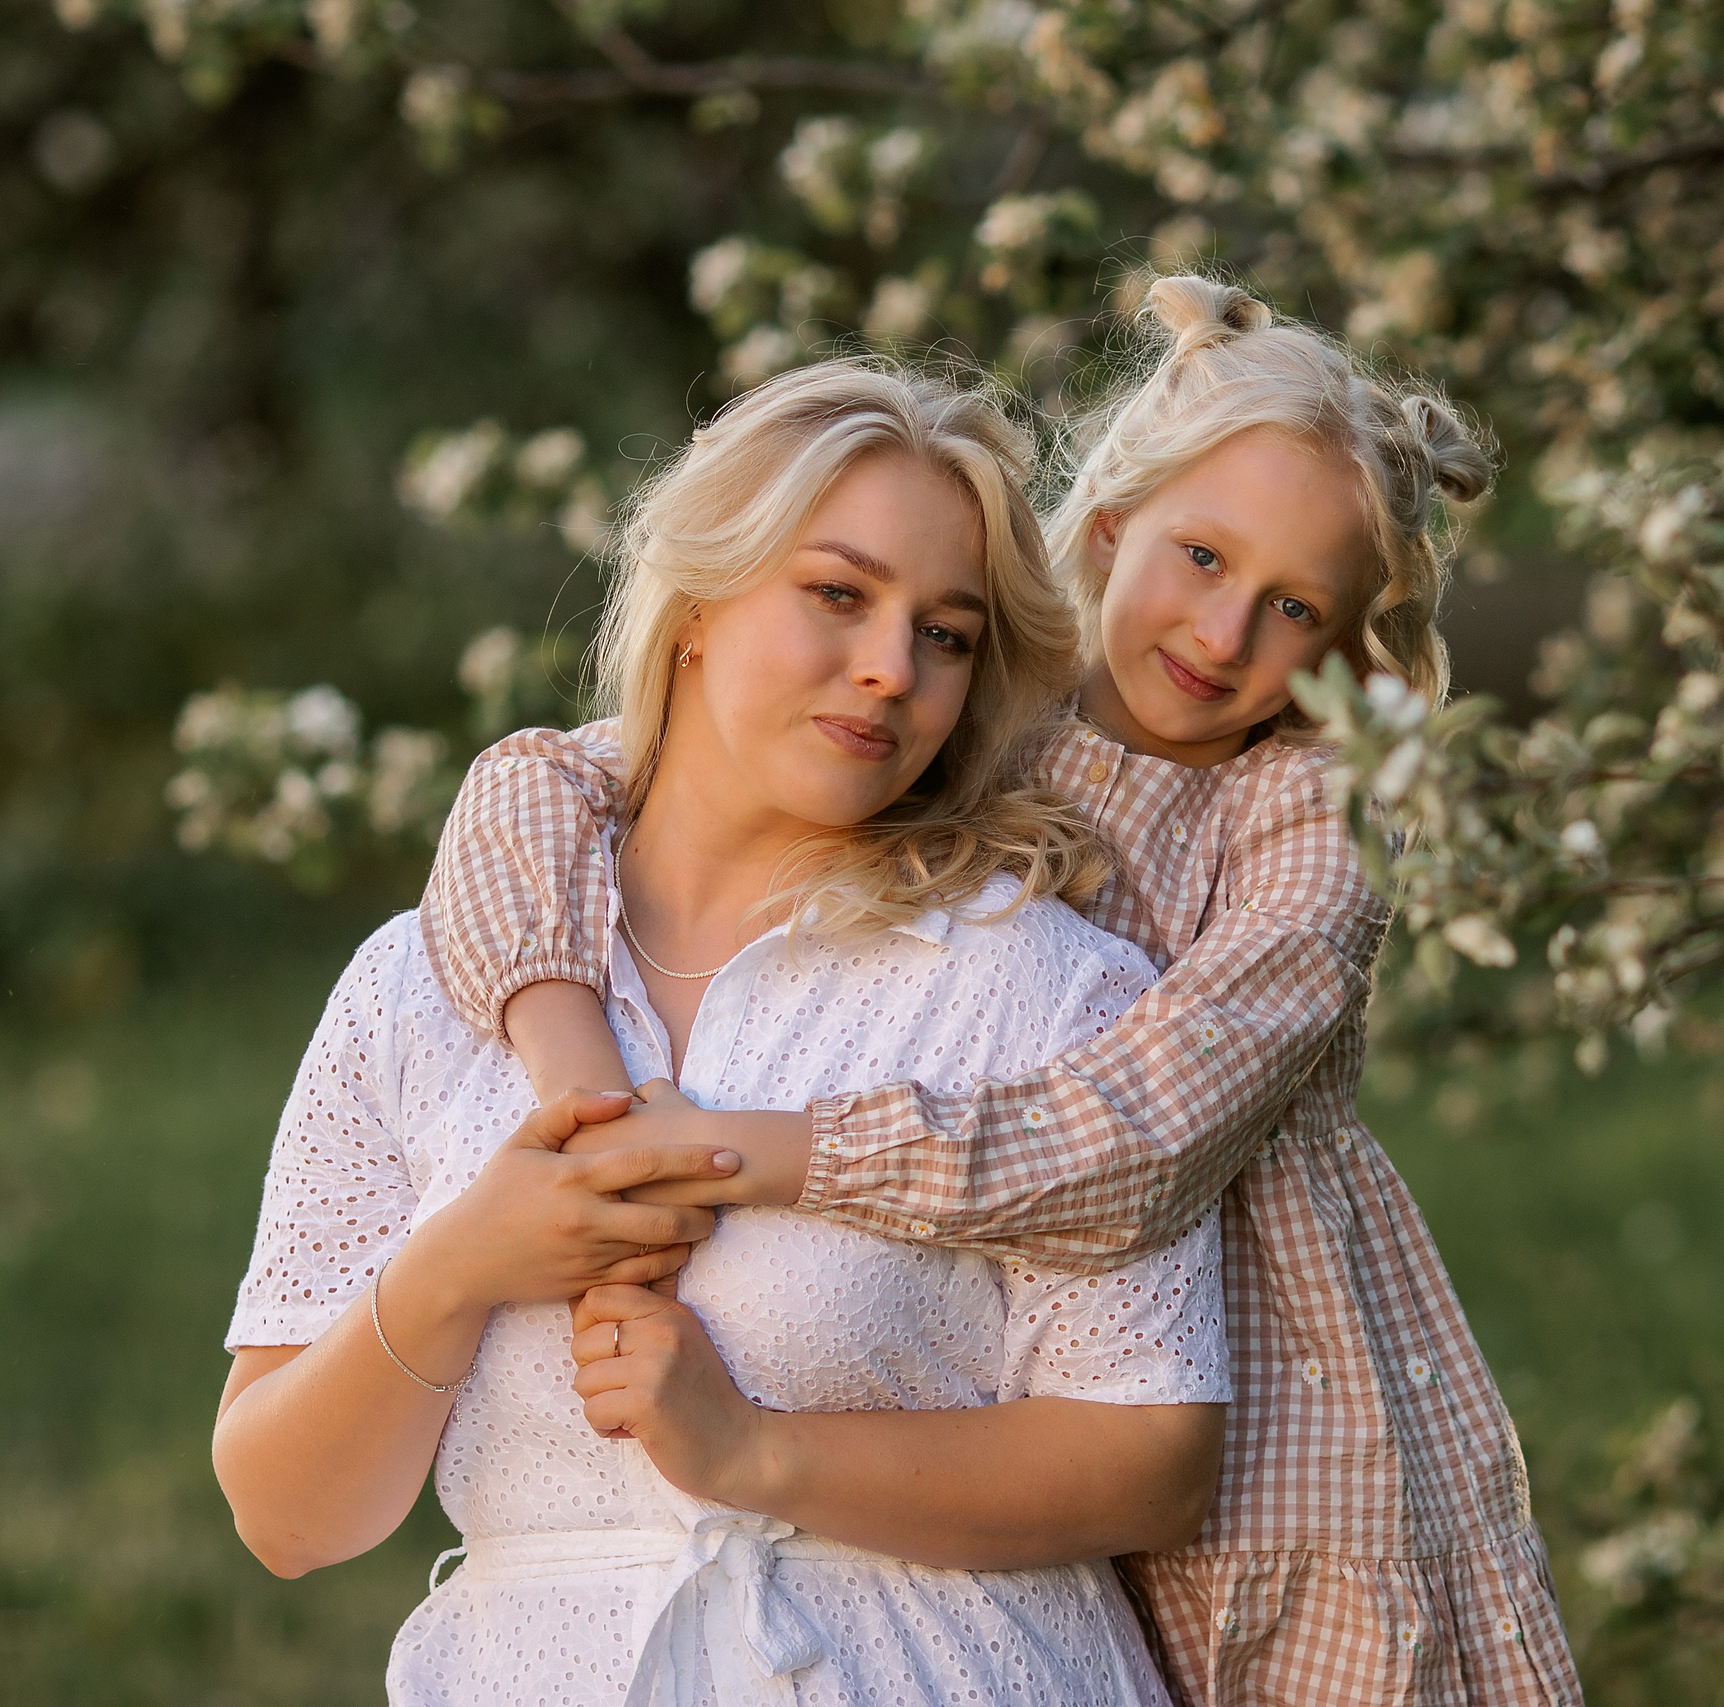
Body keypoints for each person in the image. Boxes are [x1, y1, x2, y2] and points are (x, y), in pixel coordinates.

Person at [418, 277, 1585, 1703]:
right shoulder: (981, 697)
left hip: (1277, 1415)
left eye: (1293, 608)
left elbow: (1140, 1139)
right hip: (1002, 1356)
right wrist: (584, 1095)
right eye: (1200, 558)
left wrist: (754, 1154)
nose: (1223, 637)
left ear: (1344, 657)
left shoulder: (1303, 815)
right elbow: (542, 779)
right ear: (1107, 531)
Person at [214, 359, 1232, 1706]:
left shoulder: (1039, 989)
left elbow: (1151, 1460)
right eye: (838, 593)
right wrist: (461, 1264)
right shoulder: (418, 987)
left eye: (947, 633)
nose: (889, 670)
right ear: (696, 604)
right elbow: (288, 1520)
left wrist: (756, 1451)